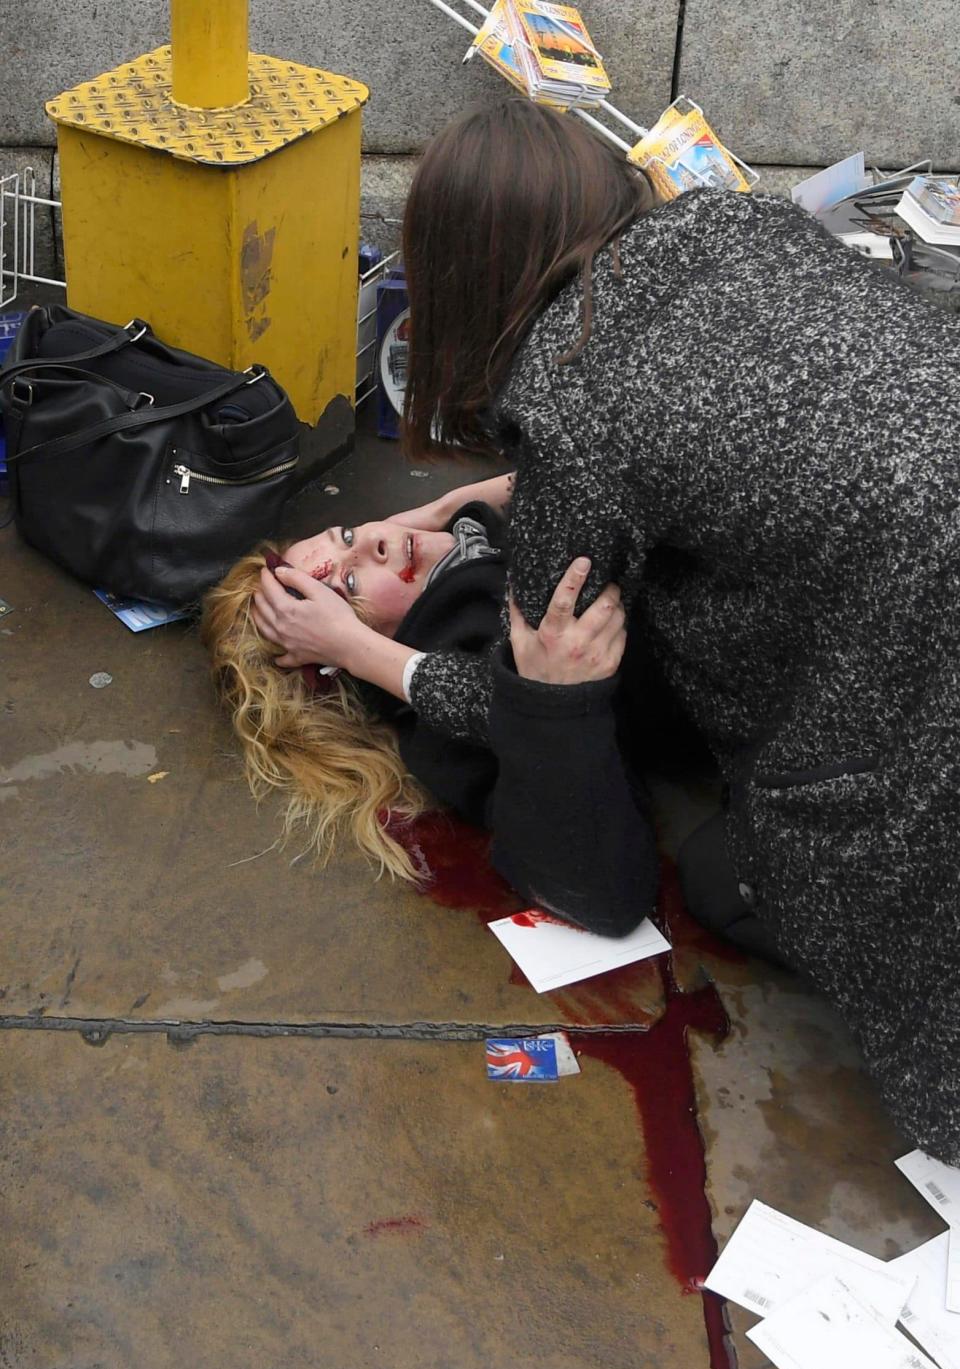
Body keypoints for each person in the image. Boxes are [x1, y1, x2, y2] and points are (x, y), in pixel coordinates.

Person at [253, 99, 960, 1161]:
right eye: (341, 578)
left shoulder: (573, 415)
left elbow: (551, 706)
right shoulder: (725, 220)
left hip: (923, 636)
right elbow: (723, 420)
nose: (370, 548)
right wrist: (474, 512)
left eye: (346, 536)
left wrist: (365, 645)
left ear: (463, 275)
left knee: (797, 874)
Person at [203, 491, 650, 929]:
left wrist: (440, 508)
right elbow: (599, 887)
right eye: (350, 584)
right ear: (336, 654)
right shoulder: (461, 679)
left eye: (345, 535)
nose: (371, 543)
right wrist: (359, 651)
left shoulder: (467, 530)